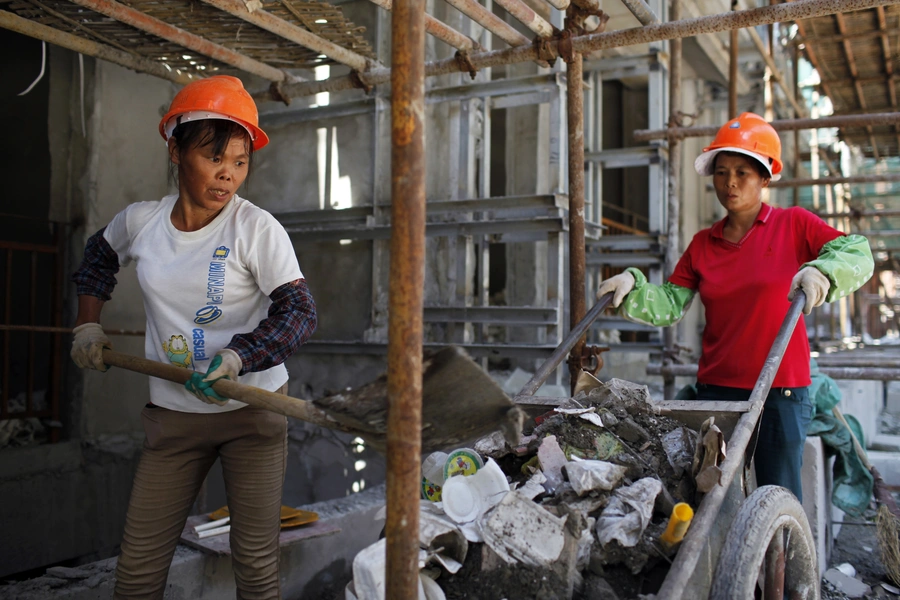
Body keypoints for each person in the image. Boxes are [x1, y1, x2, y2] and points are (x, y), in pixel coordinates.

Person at [69, 75, 317, 599]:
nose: (228, 175)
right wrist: (87, 323)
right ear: (176, 150)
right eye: (214, 158)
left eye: (240, 162)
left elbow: (298, 312)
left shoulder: (256, 229)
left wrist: (236, 358)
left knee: (254, 564)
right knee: (136, 571)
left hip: (252, 410)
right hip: (175, 416)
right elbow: (97, 259)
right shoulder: (141, 223)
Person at [596, 112, 873, 501]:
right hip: (718, 391)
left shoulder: (794, 225)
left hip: (781, 391)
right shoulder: (702, 244)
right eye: (722, 171)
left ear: (765, 177)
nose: (730, 182)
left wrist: (825, 272)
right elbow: (671, 304)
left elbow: (857, 251)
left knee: (777, 498)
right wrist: (633, 286)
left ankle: (781, 564)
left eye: (743, 171)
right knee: (714, 499)